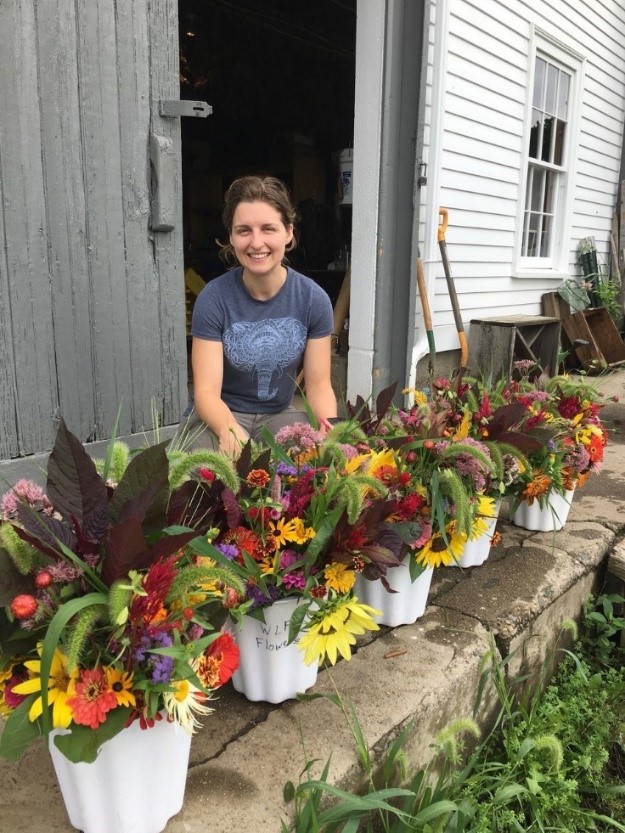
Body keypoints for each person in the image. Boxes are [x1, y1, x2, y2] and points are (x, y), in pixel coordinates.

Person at [177, 175, 338, 457]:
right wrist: (229, 430)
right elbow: (205, 393)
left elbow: (319, 385)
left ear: (288, 232)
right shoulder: (213, 299)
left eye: (268, 229)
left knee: (314, 469)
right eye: (244, 231)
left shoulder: (313, 300)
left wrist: (329, 434)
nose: (256, 242)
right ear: (231, 236)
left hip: (278, 416)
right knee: (198, 473)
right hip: (220, 414)